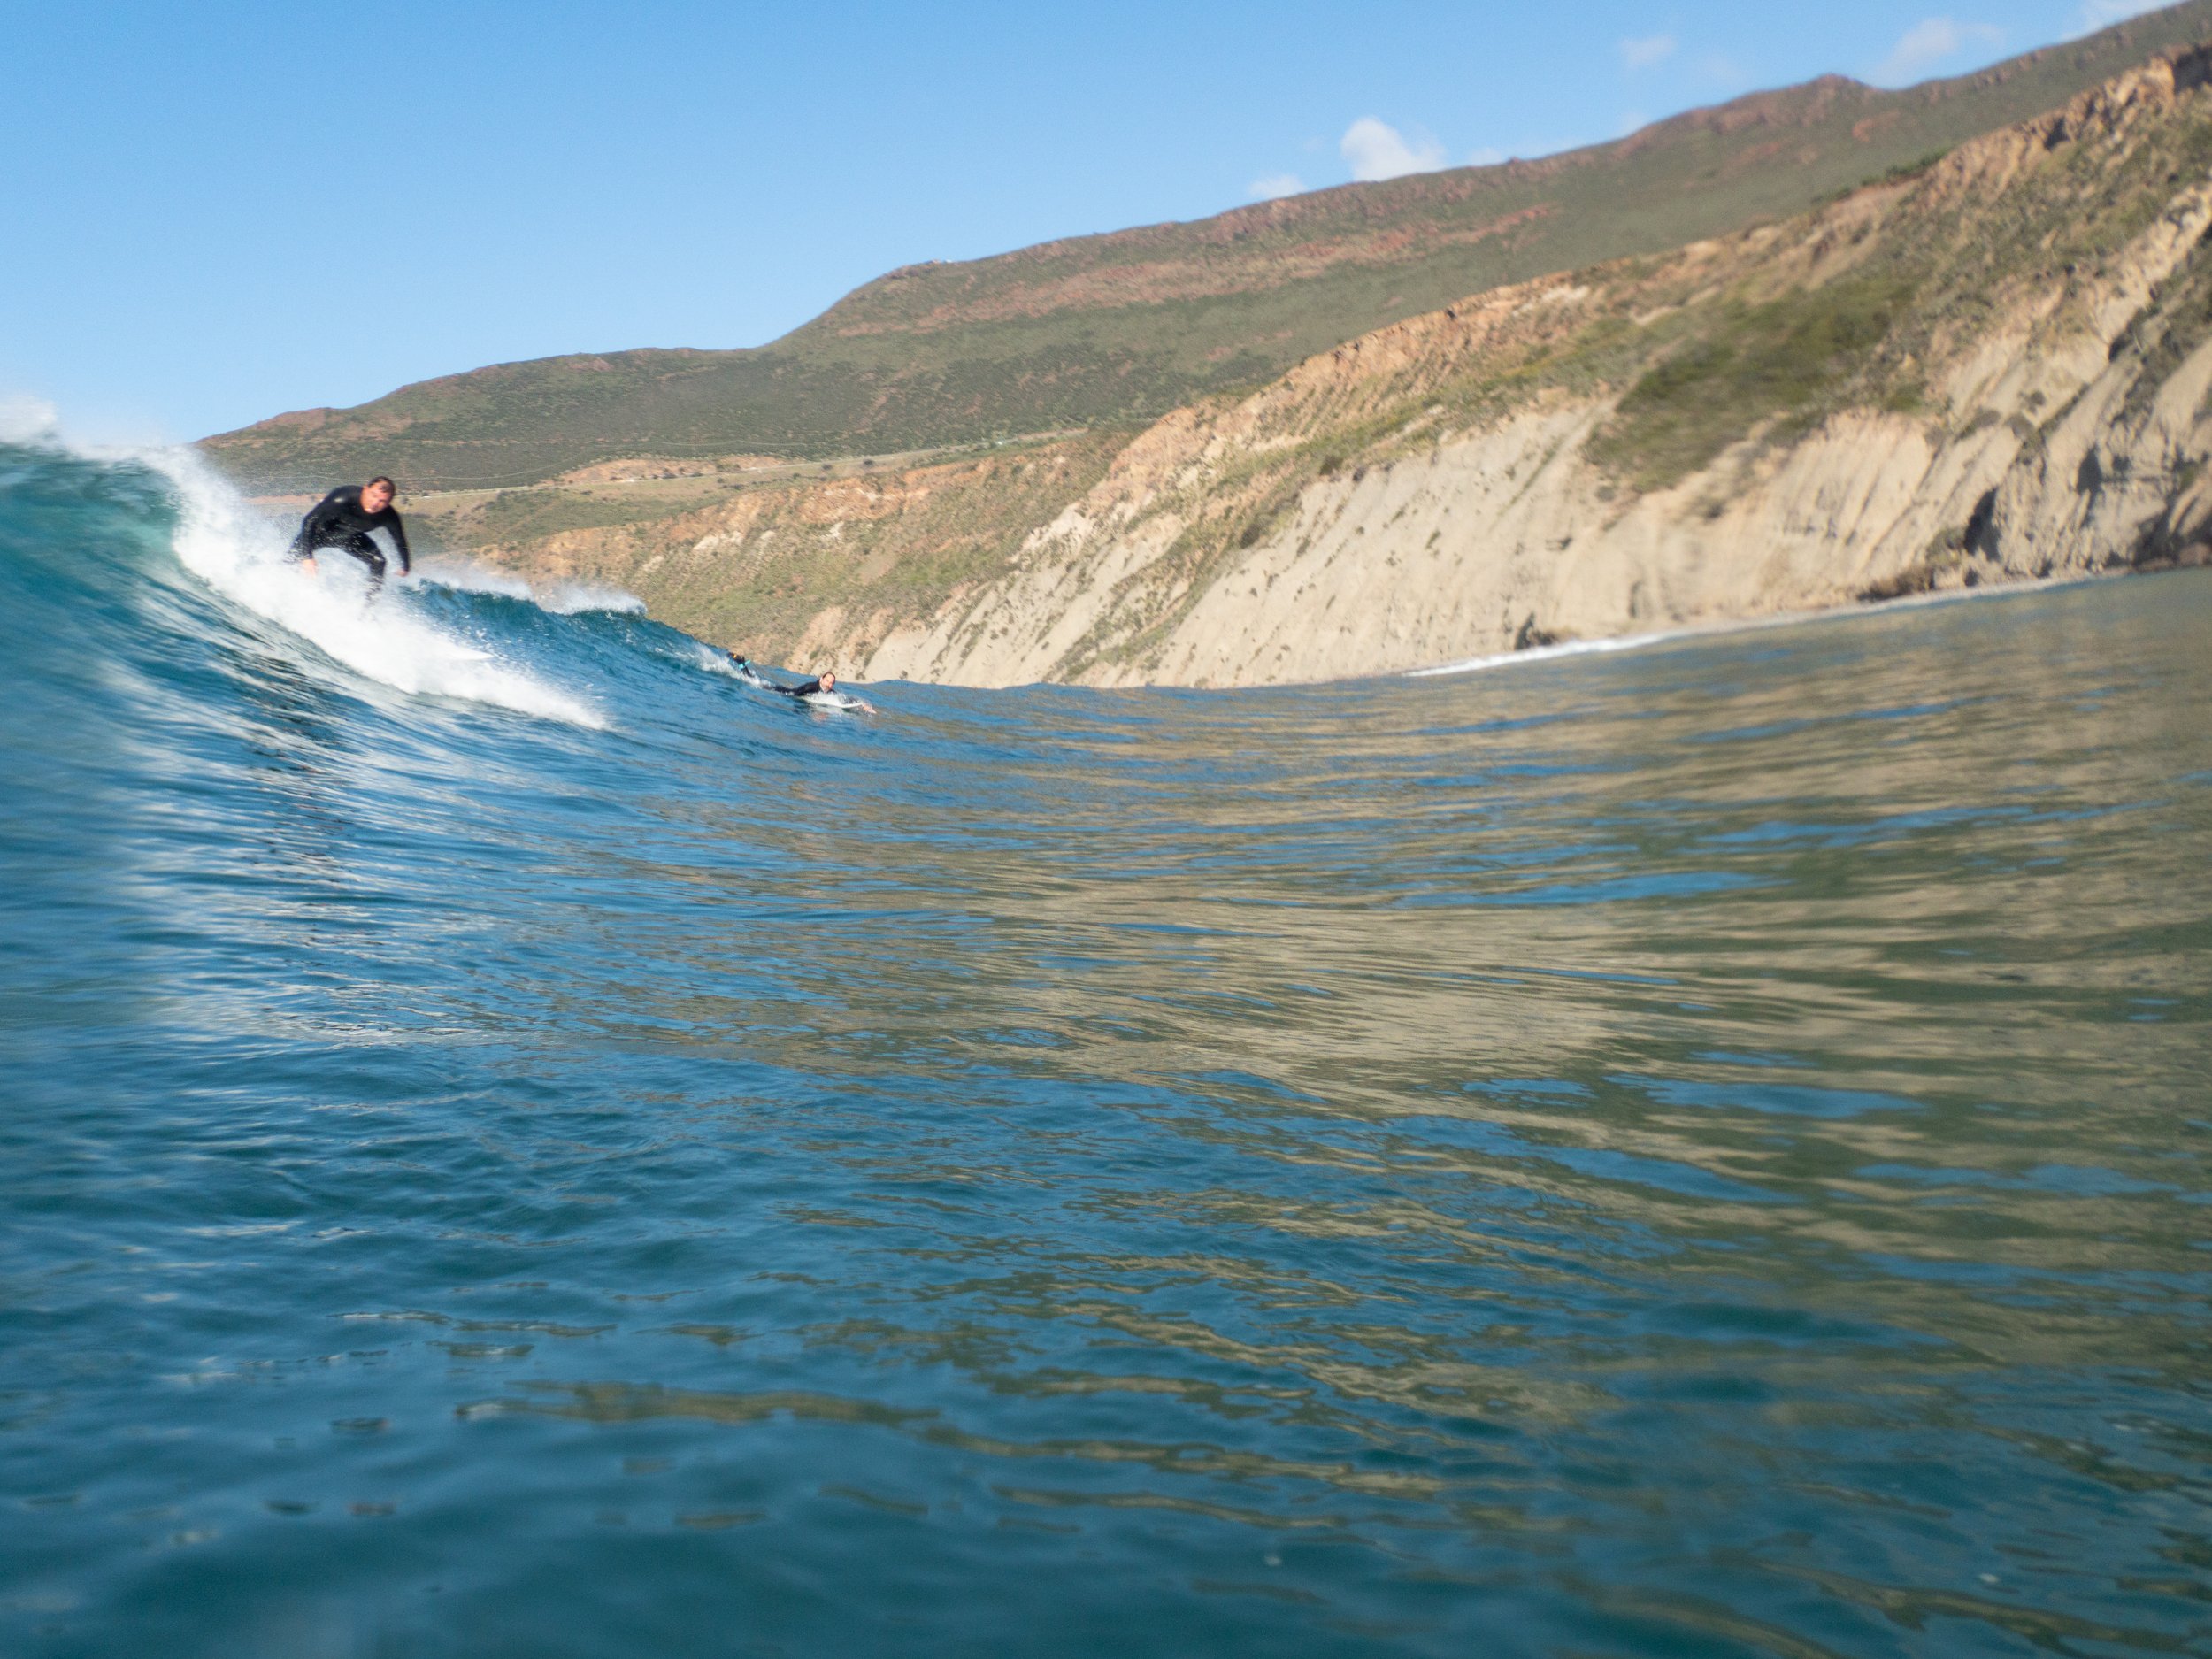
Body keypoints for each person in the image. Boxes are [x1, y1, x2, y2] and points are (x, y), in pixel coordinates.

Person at [288, 476, 411, 592]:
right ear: (365, 489)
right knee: (290, 561)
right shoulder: (342, 498)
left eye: (382, 501)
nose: (374, 503)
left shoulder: (389, 516)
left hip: (350, 539)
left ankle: (368, 608)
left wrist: (405, 567)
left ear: (388, 502)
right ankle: (278, 581)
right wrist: (307, 557)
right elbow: (309, 521)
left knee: (379, 561)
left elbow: (400, 541)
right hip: (318, 534)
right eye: (373, 495)